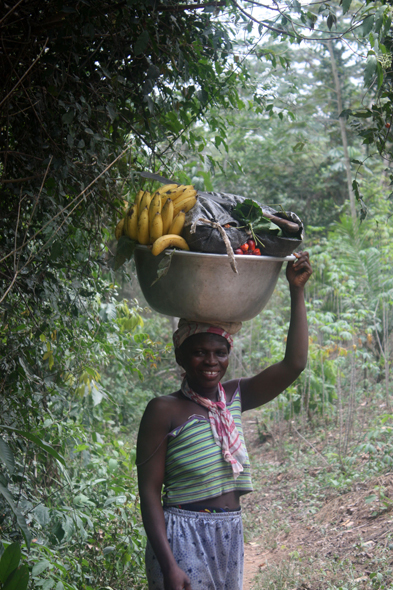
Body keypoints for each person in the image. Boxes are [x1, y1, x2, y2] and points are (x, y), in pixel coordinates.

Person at [136, 251, 312, 590]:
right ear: (180, 356)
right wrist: (169, 565)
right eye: (199, 351)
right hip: (181, 536)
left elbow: (295, 364)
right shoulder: (163, 410)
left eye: (220, 352)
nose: (211, 361)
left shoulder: (234, 397)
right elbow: (148, 492)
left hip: (229, 532)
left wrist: (296, 290)